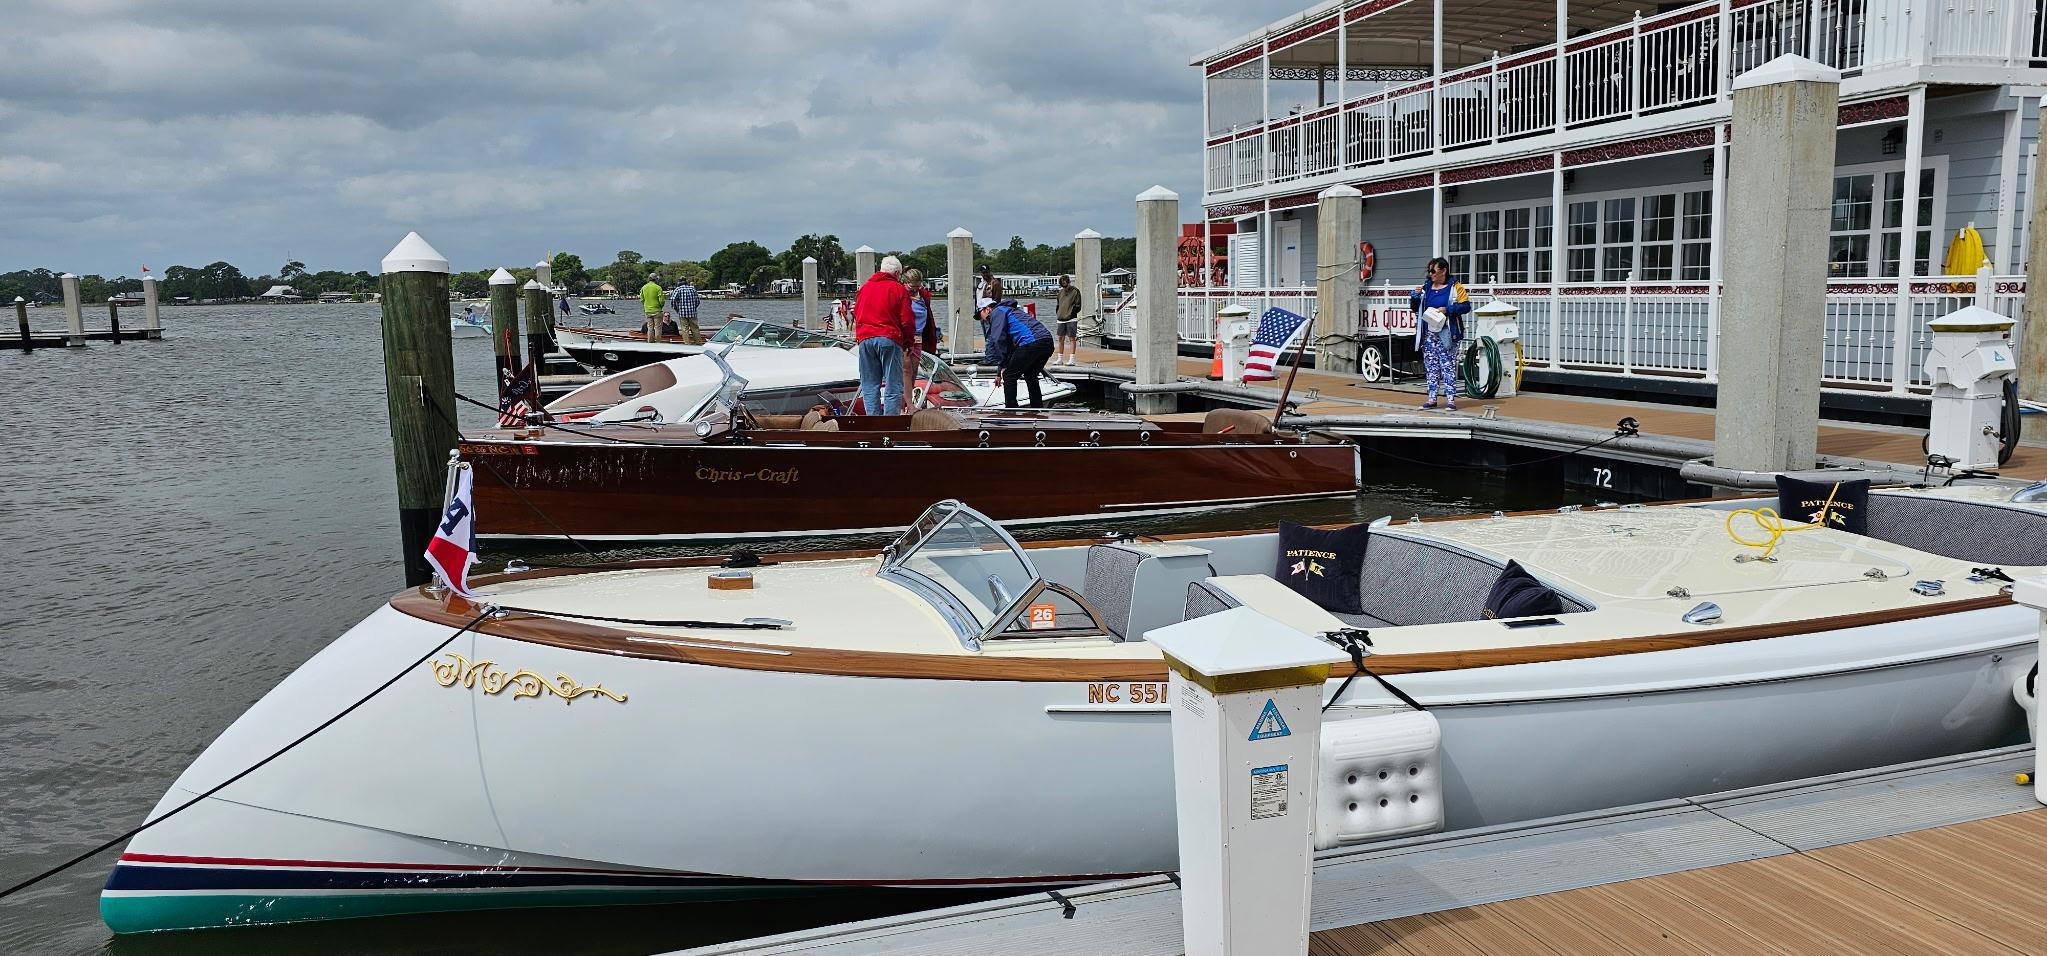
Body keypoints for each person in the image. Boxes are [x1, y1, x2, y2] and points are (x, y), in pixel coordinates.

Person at [852, 256, 918, 416]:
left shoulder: (864, 288)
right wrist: (908, 342)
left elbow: (856, 314)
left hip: (865, 339)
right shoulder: (898, 289)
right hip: (889, 338)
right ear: (897, 273)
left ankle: (873, 421)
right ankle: (890, 422)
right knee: (893, 384)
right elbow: (907, 320)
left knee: (869, 384)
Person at [1407, 257, 1471, 411]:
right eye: (1429, 271)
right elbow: (1415, 308)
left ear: (1443, 271)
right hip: (1429, 333)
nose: (1430, 274)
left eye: (1433, 271)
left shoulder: (1455, 287)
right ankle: (1432, 398)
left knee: (1448, 365)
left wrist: (1448, 309)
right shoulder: (1426, 287)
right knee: (1431, 366)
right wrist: (1415, 297)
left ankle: (1450, 400)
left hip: (1447, 331)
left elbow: (1466, 306)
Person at [979, 296, 1053, 408]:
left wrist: (1003, 368)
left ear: (987, 309)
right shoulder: (1010, 310)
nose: (983, 320)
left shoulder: (997, 312)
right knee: (1030, 375)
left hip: (1031, 342)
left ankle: (1011, 411)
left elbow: (998, 340)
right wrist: (999, 371)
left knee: (1009, 376)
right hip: (1047, 341)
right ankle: (1037, 409)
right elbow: (1009, 346)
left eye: (980, 315)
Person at [904, 268, 940, 356]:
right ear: (905, 283)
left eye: (917, 286)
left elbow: (929, 319)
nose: (915, 290)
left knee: (916, 363)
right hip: (904, 338)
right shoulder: (900, 294)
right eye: (912, 287)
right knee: (906, 364)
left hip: (920, 338)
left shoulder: (924, 296)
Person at [1053, 274, 1081, 365]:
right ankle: (1060, 359)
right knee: (1060, 338)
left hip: (1071, 319)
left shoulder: (1075, 291)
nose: (1064, 287)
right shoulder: (1060, 292)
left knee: (1071, 338)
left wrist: (1071, 313)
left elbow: (1078, 305)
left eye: (1065, 285)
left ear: (1069, 282)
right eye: (1062, 285)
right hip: (1061, 318)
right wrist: (1058, 313)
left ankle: (1072, 359)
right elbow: (1058, 304)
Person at [666, 276, 703, 344]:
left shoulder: (678, 289)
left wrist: (677, 309)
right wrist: (694, 307)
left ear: (679, 282)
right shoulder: (692, 289)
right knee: (695, 328)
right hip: (693, 313)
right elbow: (698, 300)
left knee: (685, 329)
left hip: (682, 313)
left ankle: (687, 344)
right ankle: (698, 343)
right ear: (686, 281)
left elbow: (673, 300)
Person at [639, 273, 666, 341]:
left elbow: (641, 299)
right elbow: (662, 300)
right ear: (656, 279)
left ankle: (650, 342)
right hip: (657, 310)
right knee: (658, 328)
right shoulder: (658, 288)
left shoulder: (644, 287)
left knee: (650, 328)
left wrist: (646, 305)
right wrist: (660, 307)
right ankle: (658, 343)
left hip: (648, 311)